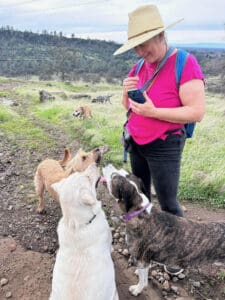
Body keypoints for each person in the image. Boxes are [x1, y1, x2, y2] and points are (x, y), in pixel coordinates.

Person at [114, 4, 205, 273]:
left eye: (144, 45)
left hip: (165, 145)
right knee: (142, 196)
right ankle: (149, 240)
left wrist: (154, 112)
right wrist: (125, 91)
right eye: (136, 47)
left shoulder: (184, 63)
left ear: (161, 36)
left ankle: (177, 255)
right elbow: (127, 106)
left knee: (168, 202)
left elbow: (196, 112)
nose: (141, 52)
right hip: (137, 143)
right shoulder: (138, 66)